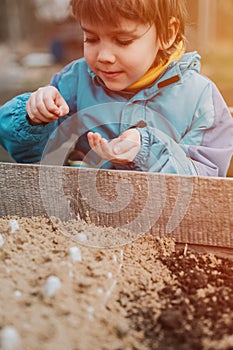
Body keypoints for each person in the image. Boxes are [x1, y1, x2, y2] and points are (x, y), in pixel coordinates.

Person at [0, 0, 233, 176]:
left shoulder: (199, 99)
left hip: (165, 230)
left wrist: (146, 150)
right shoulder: (74, 81)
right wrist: (33, 118)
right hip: (80, 221)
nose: (104, 56)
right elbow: (32, 156)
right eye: (91, 39)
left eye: (123, 41)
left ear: (167, 34)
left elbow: (206, 178)